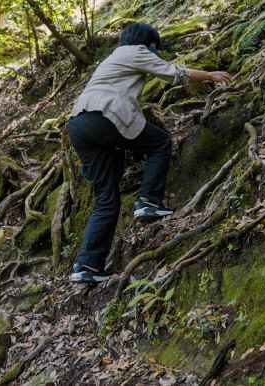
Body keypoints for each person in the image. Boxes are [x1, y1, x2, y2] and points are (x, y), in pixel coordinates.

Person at [67, 22, 233, 284]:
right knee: (160, 143)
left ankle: (87, 265)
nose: (155, 51)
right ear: (147, 42)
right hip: (103, 116)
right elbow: (174, 73)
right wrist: (210, 75)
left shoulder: (112, 59)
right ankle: (149, 202)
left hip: (78, 124)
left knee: (106, 199)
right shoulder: (136, 51)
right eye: (154, 46)